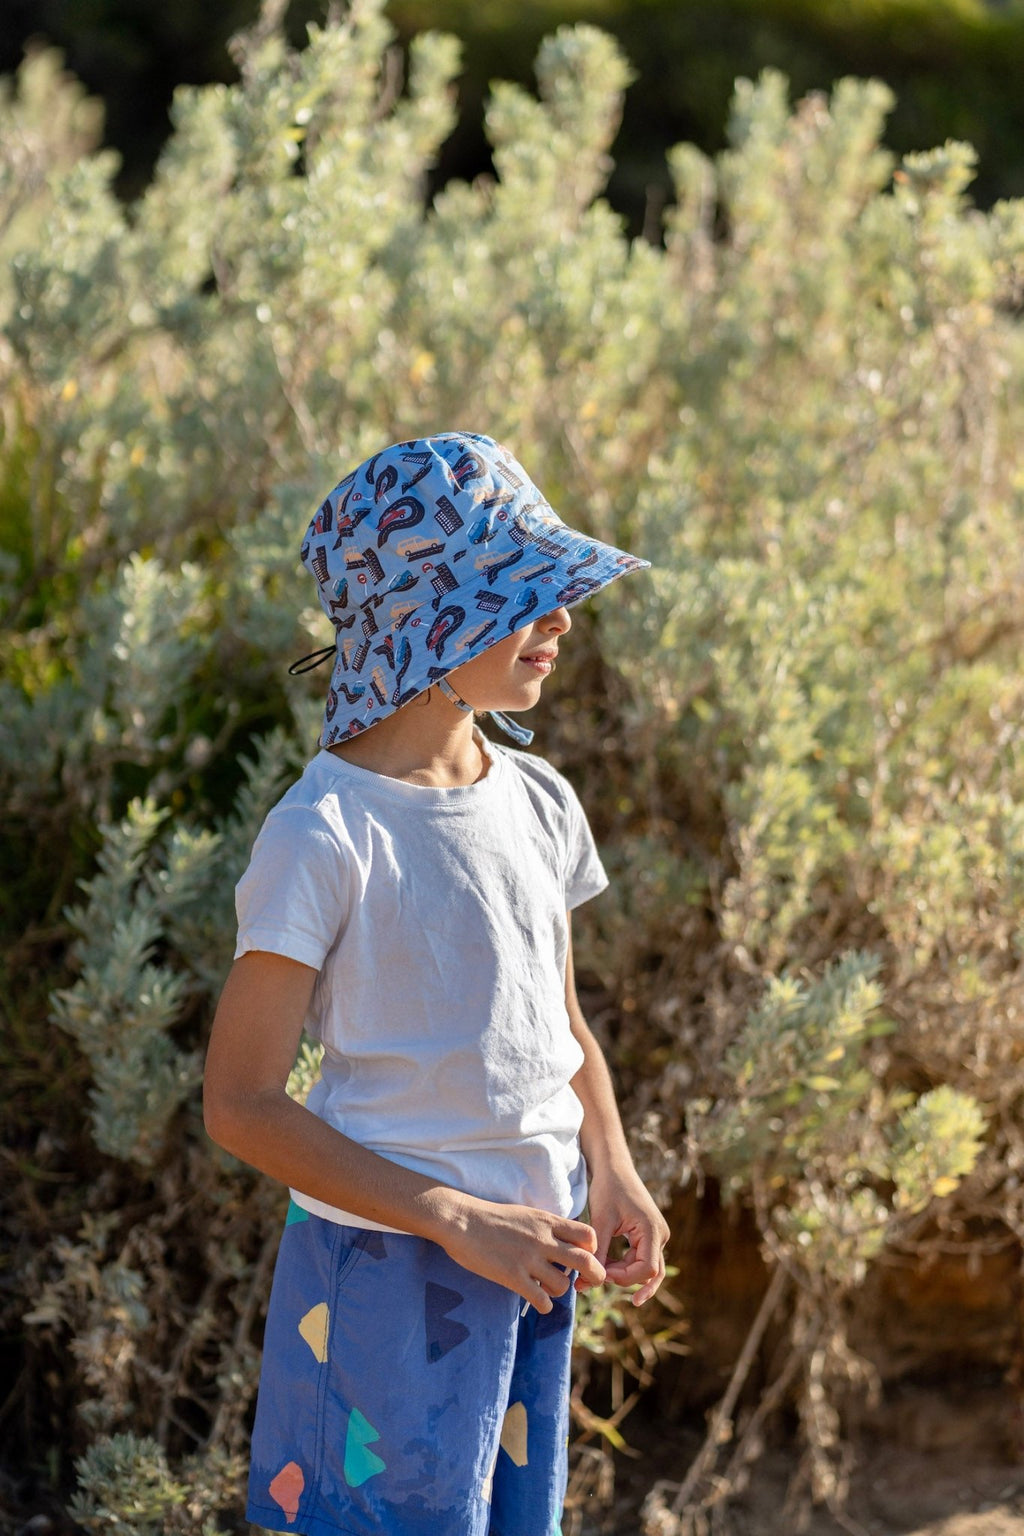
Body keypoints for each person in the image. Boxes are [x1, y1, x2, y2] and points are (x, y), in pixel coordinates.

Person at [203, 431, 670, 1536]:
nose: (561, 620)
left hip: (528, 1259)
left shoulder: (539, 800)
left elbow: (559, 1024)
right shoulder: (325, 833)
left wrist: (612, 1168)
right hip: (384, 1274)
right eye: (524, 595)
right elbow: (241, 1104)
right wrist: (454, 1217)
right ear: (429, 617)